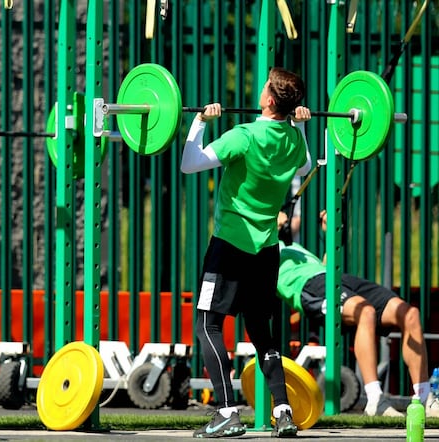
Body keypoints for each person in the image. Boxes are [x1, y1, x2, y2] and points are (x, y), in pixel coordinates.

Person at [181, 67, 312, 438]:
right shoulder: (293, 141)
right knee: (260, 330)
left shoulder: (244, 136)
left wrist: (199, 121)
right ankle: (283, 412)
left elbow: (189, 164)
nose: (261, 89)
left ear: (270, 99)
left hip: (229, 248)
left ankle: (226, 411)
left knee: (207, 324)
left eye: (265, 87)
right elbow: (303, 165)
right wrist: (299, 126)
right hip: (267, 251)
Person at [277, 210, 439, 418]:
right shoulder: (260, 249)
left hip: (331, 276)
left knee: (410, 314)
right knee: (366, 311)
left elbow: (325, 266)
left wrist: (328, 235)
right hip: (307, 287)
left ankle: (424, 397)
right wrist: (273, 224)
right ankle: (375, 399)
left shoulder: (295, 248)